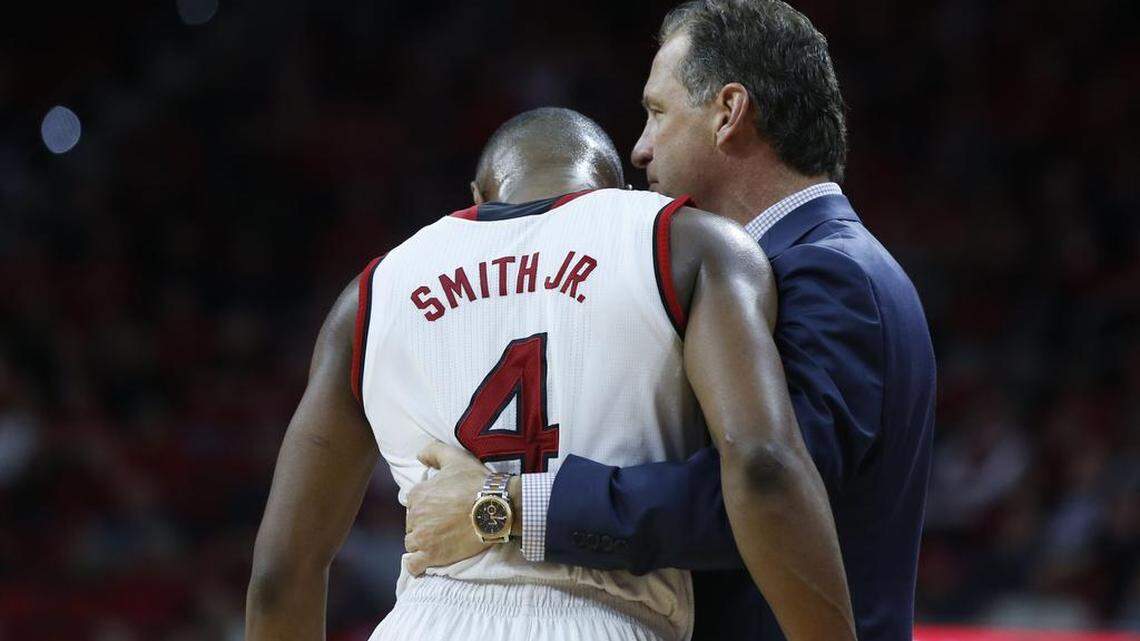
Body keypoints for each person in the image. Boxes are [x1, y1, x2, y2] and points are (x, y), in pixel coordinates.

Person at [404, 2, 937, 641]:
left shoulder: (827, 274)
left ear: (728, 112)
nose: (639, 149)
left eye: (657, 113)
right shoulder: (818, 264)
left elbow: (768, 493)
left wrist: (510, 506)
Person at [244, 107, 855, 641]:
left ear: (479, 192)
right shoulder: (685, 242)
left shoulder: (368, 296)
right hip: (608, 616)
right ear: (612, 190)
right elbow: (764, 466)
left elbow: (279, 575)